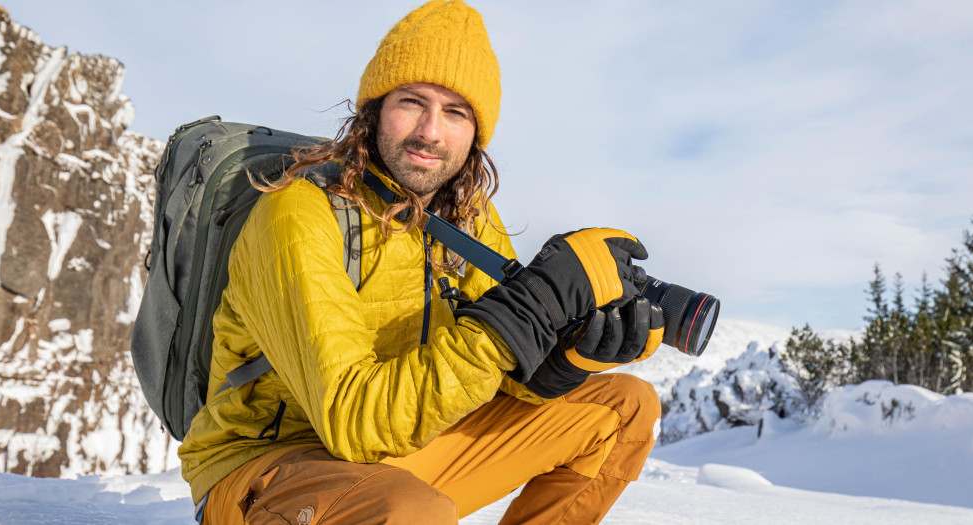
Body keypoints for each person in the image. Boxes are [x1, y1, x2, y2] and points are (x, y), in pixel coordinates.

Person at [178, 1, 664, 523]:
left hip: (396, 452)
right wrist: (524, 314)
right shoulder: (299, 211)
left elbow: (487, 372)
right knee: (409, 512)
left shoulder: (467, 220)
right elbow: (354, 421)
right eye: (413, 101)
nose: (431, 132)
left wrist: (560, 363)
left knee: (624, 406)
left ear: (477, 133)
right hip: (268, 466)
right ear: (374, 110)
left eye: (456, 112)